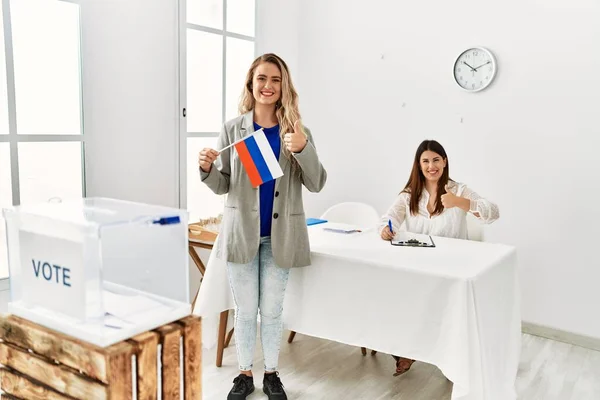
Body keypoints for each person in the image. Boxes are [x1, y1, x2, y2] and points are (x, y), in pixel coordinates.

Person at [198, 53, 327, 400]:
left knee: (271, 311)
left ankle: (271, 373)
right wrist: (208, 169)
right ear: (251, 85)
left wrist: (302, 150)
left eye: (275, 80)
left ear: (284, 86)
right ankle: (244, 374)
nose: (268, 86)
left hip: (281, 237)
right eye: (262, 79)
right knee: (244, 311)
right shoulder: (233, 128)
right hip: (242, 234)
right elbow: (224, 183)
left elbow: (316, 183)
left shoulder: (298, 131)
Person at [379, 139, 499, 376]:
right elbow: (388, 218)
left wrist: (460, 203)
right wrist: (385, 229)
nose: (431, 165)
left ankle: (451, 359)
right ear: (418, 164)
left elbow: (492, 212)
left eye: (436, 160)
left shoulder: (458, 189)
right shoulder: (409, 193)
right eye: (426, 161)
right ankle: (408, 349)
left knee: (444, 307)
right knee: (397, 293)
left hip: (452, 266)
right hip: (418, 264)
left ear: (444, 162)